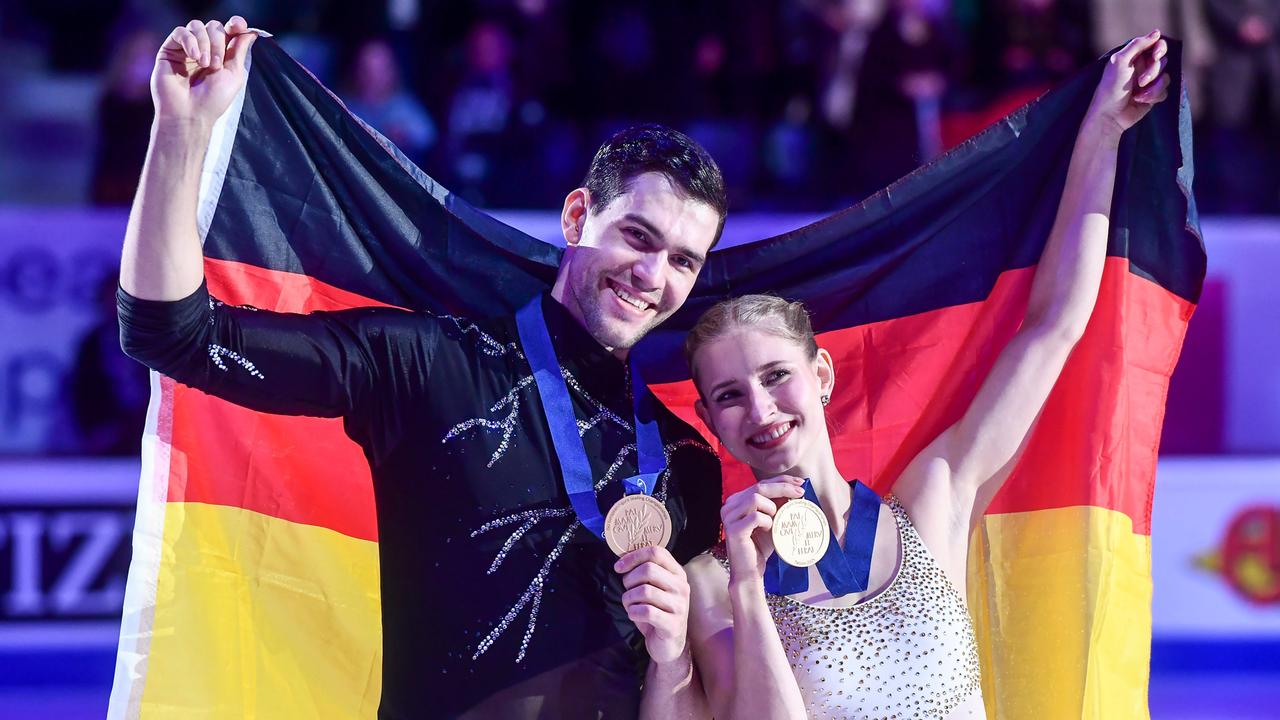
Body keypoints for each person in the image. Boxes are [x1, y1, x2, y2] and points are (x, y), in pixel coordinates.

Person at [117, 16, 725, 719]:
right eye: (637, 236)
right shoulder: (427, 363)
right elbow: (173, 334)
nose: (653, 275)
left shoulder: (687, 463)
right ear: (576, 215)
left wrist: (676, 650)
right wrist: (183, 129)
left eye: (683, 260)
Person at [660, 30, 1171, 719]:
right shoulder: (711, 584)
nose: (759, 408)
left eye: (776, 375)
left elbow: (1052, 327)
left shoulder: (935, 501)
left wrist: (1103, 131)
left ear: (823, 376)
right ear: (709, 418)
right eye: (729, 395)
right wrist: (751, 589)